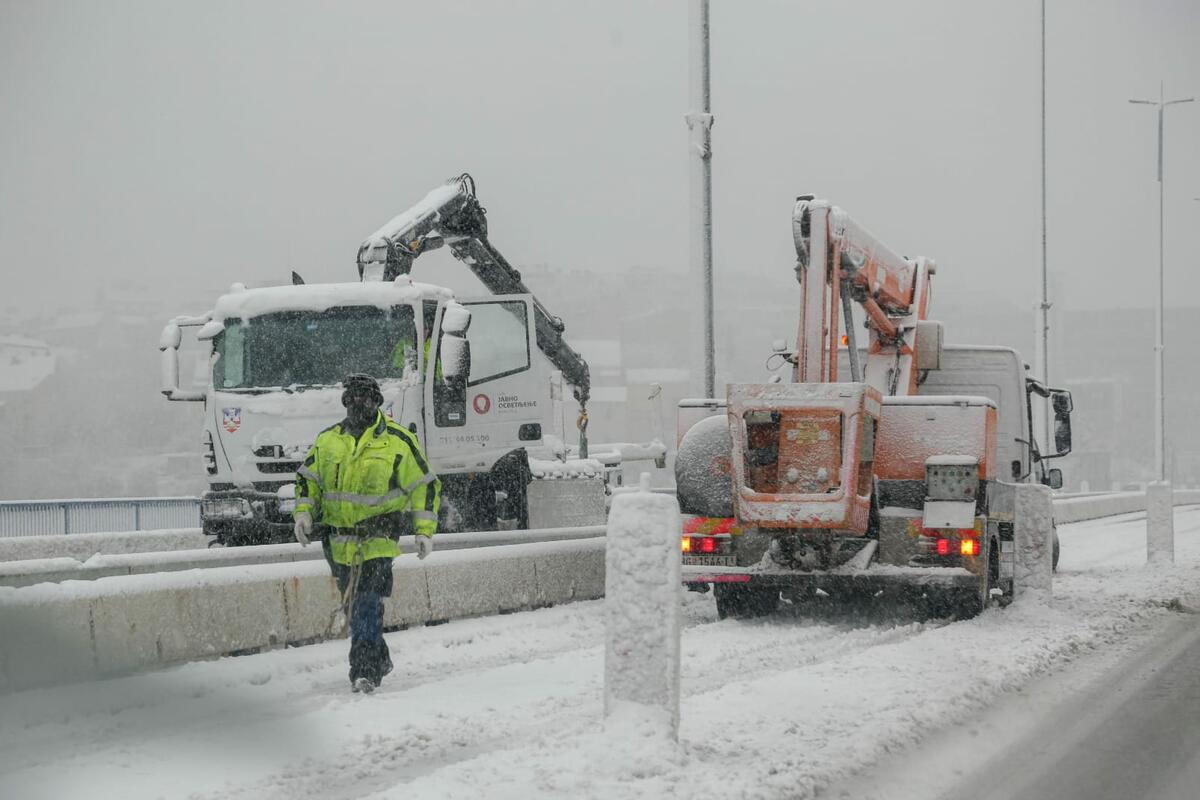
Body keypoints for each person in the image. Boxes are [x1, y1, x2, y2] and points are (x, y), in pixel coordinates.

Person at [293, 373, 440, 693]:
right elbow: (308, 481)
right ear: (345, 402)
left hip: (378, 540)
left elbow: (424, 486)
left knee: (366, 603)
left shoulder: (398, 441)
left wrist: (424, 530)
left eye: (366, 398)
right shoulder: (327, 441)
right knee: (354, 606)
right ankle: (380, 657)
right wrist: (303, 513)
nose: (359, 404)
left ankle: (364, 671)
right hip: (338, 542)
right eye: (353, 398)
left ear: (377, 402)